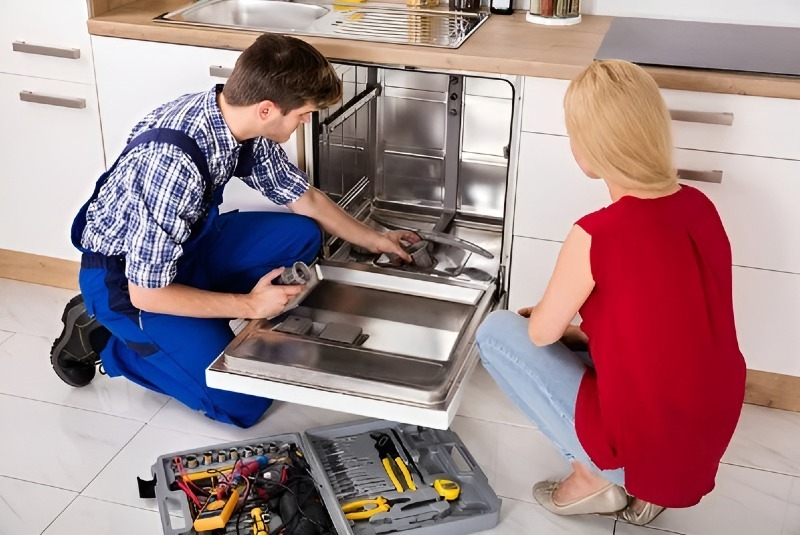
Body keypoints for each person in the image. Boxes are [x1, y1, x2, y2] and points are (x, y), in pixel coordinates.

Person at [49, 33, 417, 428]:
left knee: (302, 234)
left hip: (186, 251)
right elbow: (147, 291)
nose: (307, 121)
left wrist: (378, 238)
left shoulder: (232, 122)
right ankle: (105, 340)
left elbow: (303, 198)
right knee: (244, 403)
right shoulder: (172, 164)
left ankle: (202, 318)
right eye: (304, 113)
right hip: (130, 287)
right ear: (266, 109)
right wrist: (249, 306)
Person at [475, 60, 746, 525]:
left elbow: (540, 334)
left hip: (640, 437)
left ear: (588, 150)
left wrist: (545, 316)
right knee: (581, 341)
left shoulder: (597, 233)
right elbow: (667, 320)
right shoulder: (701, 208)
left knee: (499, 330)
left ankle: (595, 475)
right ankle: (650, 489)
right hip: (707, 425)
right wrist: (583, 332)